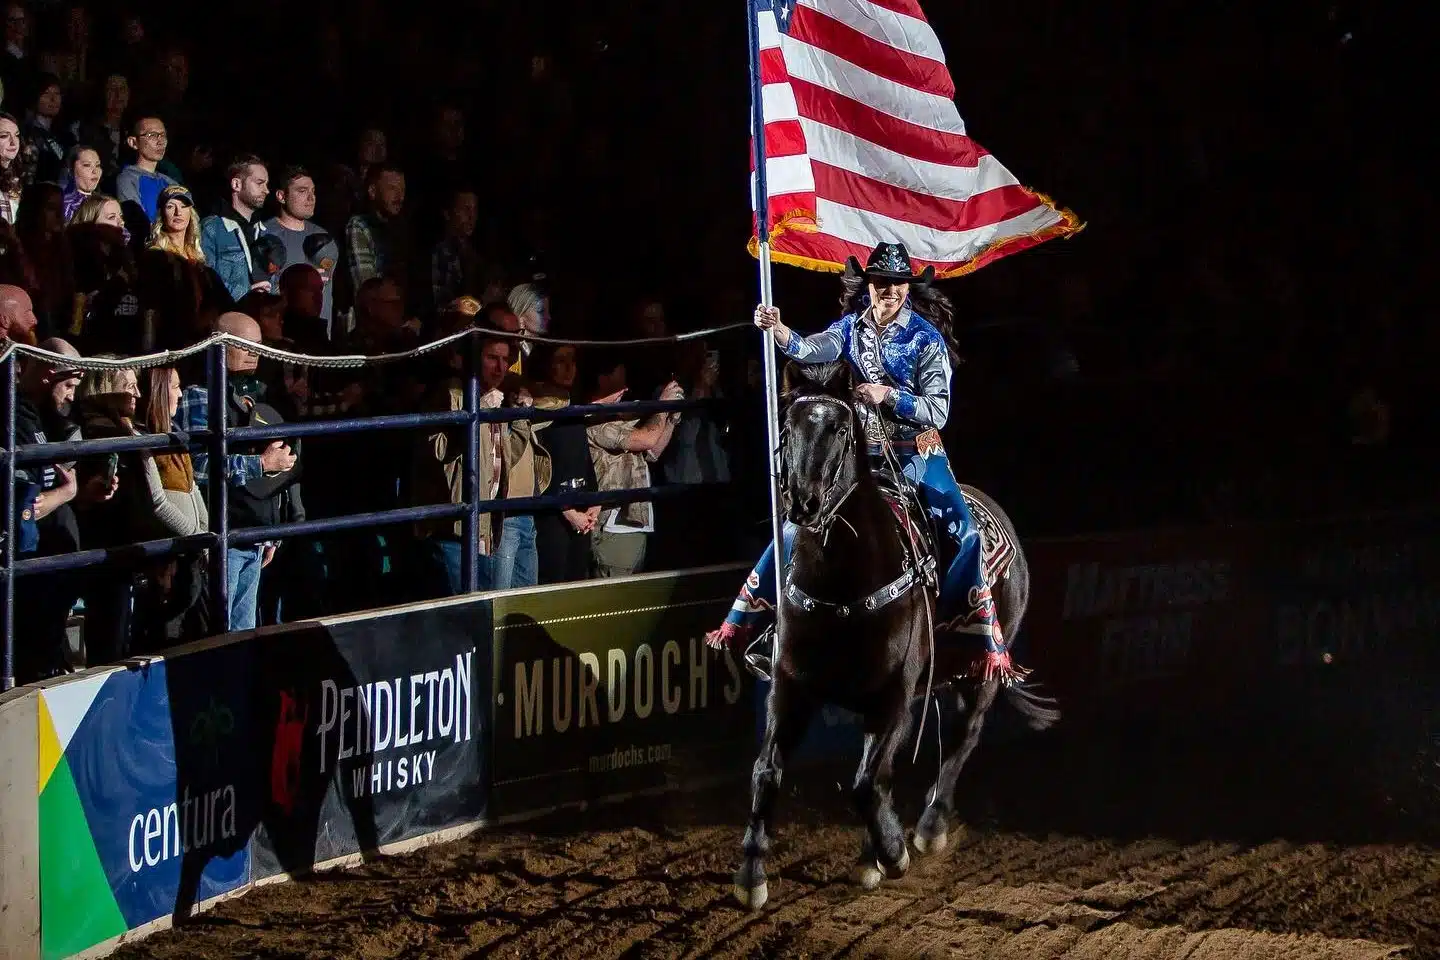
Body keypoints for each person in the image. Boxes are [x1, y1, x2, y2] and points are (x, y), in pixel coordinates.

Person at [704, 242, 1018, 682]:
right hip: (863, 456)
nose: (887, 290)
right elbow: (813, 349)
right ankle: (754, 624)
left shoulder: (926, 340)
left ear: (907, 289)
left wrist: (888, 395)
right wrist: (779, 331)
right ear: (868, 286)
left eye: (895, 283)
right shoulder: (851, 328)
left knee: (962, 530)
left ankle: (966, 632)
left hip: (916, 454)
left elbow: (938, 412)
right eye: (880, 283)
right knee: (797, 525)